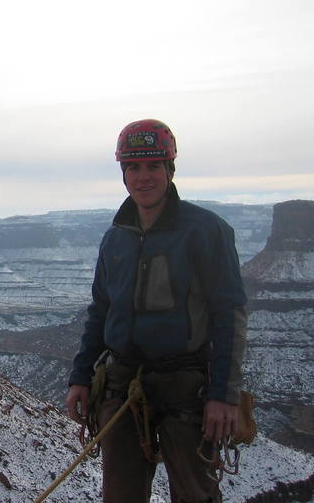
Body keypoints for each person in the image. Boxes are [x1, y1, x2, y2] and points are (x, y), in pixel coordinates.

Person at [65, 119, 247, 503]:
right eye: (133, 167)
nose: (143, 177)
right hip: (120, 382)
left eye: (153, 166)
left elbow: (229, 313)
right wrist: (80, 377)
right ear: (123, 174)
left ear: (170, 169)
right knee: (120, 495)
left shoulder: (205, 230)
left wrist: (224, 395)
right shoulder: (115, 237)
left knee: (195, 495)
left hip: (186, 387)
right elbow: (99, 310)